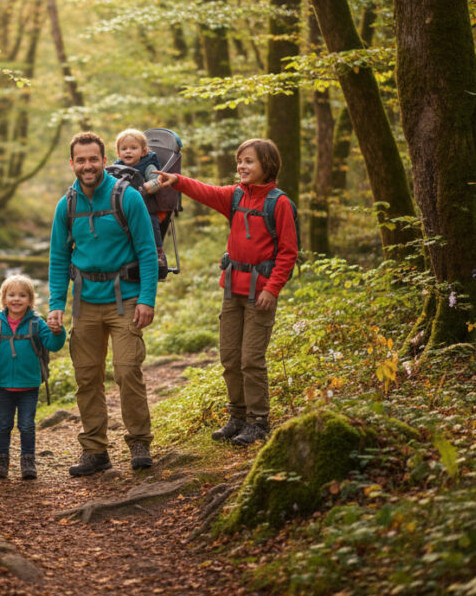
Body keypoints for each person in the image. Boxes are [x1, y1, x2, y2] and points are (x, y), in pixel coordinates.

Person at [157, 138, 297, 446]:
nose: (242, 166)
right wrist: (176, 180)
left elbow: (288, 253)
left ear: (268, 166)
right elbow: (204, 191)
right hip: (232, 290)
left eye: (249, 161)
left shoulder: (279, 203)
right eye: (240, 161)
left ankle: (259, 421)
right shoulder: (234, 196)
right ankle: (238, 416)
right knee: (230, 357)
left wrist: (272, 289)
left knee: (251, 359)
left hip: (260, 294)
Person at [47, 131, 158, 476]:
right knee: (87, 377)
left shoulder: (127, 198)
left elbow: (147, 251)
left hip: (125, 299)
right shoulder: (66, 205)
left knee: (127, 370)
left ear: (103, 159)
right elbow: (58, 258)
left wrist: (147, 298)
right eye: (80, 160)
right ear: (72, 164)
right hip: (85, 304)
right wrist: (56, 303)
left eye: (93, 159)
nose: (87, 166)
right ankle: (95, 451)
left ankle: (139, 441)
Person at [0, 274, 67, 481]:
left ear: (30, 300)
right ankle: (1, 463)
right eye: (11, 295)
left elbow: (53, 344)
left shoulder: (37, 323)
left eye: (22, 295)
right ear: (4, 299)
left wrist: (58, 332)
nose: (16, 299)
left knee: (27, 425)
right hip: (3, 385)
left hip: (29, 385)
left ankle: (27, 462)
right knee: (3, 424)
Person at [113, 128, 168, 273]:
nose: (128, 151)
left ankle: (158, 254)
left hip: (146, 205)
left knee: (151, 222)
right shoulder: (117, 168)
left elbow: (158, 181)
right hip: (123, 208)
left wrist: (145, 188)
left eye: (133, 148)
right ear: (118, 153)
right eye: (124, 149)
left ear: (143, 152)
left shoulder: (148, 166)